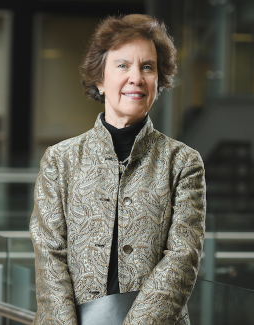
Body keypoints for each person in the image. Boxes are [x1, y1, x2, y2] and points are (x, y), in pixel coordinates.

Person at [29, 14, 206, 325]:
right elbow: (49, 257)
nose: (136, 77)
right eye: (122, 65)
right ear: (100, 79)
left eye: (147, 67)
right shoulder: (60, 160)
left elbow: (183, 258)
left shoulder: (183, 162)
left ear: (158, 82)